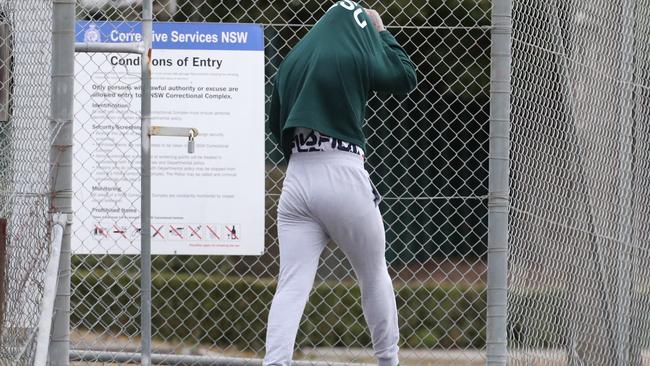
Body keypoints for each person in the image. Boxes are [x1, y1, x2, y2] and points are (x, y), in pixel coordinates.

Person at [265, 1, 417, 365]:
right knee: (373, 272)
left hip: (298, 176)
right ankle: (387, 360)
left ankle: (275, 362)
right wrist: (381, 33)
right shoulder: (354, 50)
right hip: (342, 166)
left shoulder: (294, 60)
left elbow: (275, 124)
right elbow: (404, 76)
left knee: (292, 285)